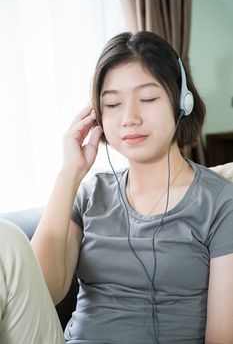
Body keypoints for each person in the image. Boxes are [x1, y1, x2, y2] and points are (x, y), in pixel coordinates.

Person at [1, 30, 233, 343]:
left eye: (148, 99)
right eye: (112, 104)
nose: (129, 118)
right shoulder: (90, 193)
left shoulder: (219, 201)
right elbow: (42, 292)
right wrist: (70, 172)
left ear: (182, 101)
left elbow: (221, 337)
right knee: (6, 239)